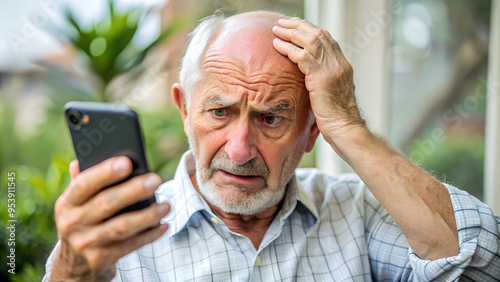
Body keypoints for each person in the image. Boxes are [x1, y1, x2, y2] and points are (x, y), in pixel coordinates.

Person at [44, 11, 500, 281]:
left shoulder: (356, 211)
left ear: (313, 132)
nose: (240, 149)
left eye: (272, 119)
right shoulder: (115, 241)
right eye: (219, 112)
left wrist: (351, 126)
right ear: (184, 109)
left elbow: (482, 264)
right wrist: (73, 269)